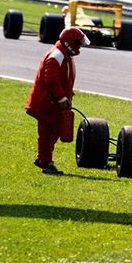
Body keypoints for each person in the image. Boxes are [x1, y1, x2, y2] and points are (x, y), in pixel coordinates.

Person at [25, 27, 90, 176]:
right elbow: (52, 80)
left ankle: (43, 158)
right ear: (70, 43)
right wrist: (62, 98)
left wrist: (67, 95)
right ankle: (45, 162)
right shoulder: (57, 56)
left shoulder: (64, 55)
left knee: (53, 133)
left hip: (53, 103)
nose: (79, 47)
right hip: (47, 103)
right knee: (47, 133)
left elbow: (62, 79)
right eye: (78, 44)